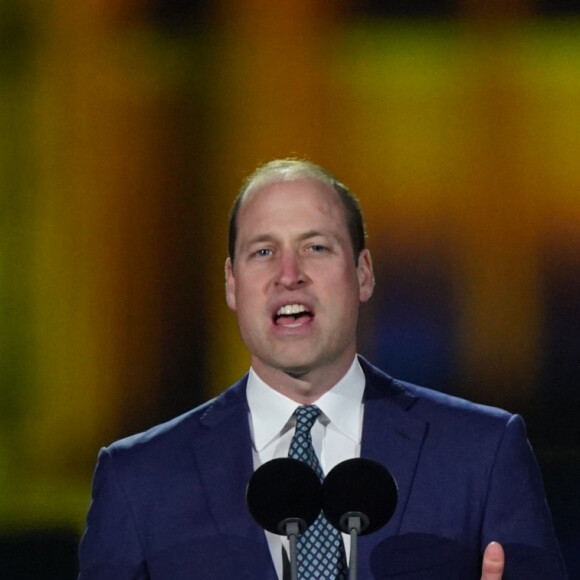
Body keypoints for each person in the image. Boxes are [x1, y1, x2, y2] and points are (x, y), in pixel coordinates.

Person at [78, 159, 567, 579]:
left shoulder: (482, 453)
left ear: (363, 274)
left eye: (316, 247)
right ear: (231, 284)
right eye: (263, 252)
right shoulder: (139, 479)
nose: (288, 275)